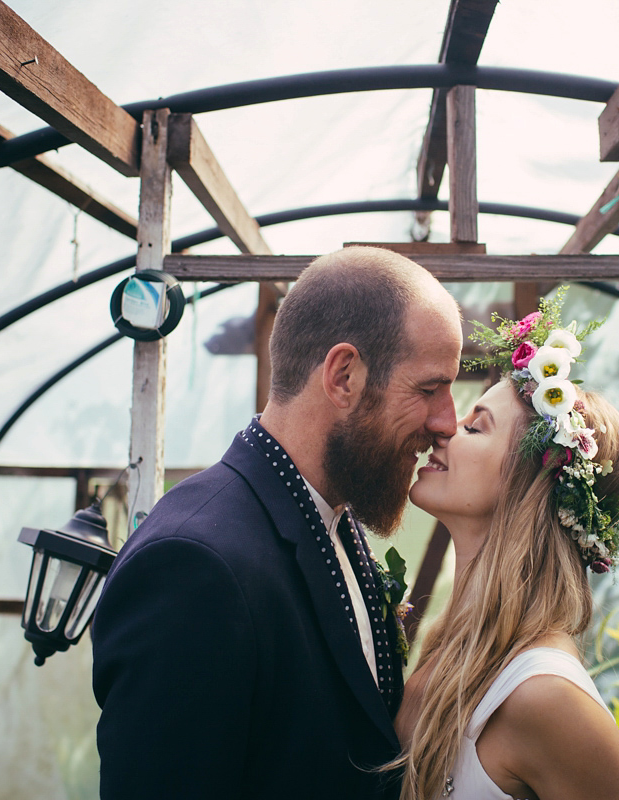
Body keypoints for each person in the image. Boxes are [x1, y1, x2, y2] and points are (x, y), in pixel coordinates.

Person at [91, 246, 463, 799]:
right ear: (343, 376)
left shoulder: (333, 514)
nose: (447, 422)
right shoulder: (193, 565)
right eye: (429, 389)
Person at [392, 298, 619, 800]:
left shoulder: (544, 694)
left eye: (475, 427)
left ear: (528, 483)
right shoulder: (449, 650)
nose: (445, 429)